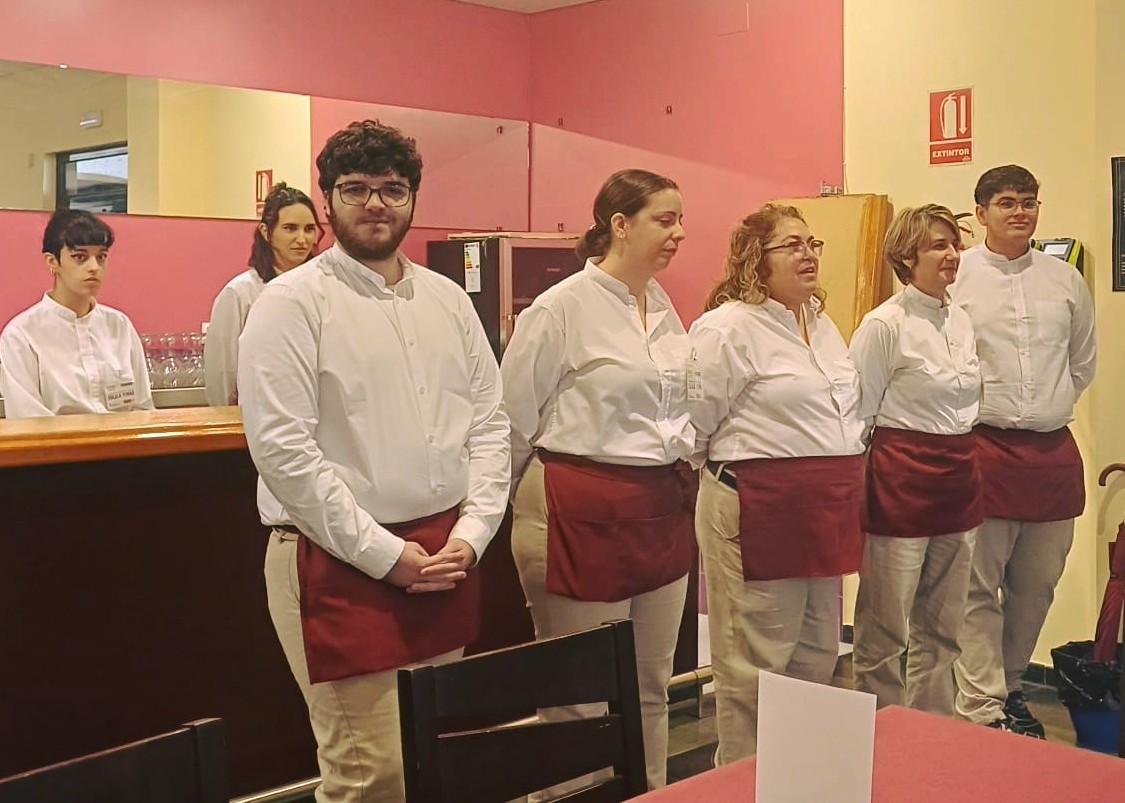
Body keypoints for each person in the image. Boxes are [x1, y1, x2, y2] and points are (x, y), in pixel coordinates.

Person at [238, 119, 510, 802]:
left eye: (393, 189)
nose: (376, 203)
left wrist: (472, 536)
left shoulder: (449, 300)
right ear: (328, 200)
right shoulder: (289, 304)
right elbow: (284, 452)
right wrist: (384, 554)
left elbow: (489, 425)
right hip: (335, 560)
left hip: (444, 555)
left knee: (433, 758)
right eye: (355, 189)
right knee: (370, 774)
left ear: (413, 198)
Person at [501, 169, 694, 792]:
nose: (679, 233)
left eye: (678, 220)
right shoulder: (560, 309)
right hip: (577, 508)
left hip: (659, 509)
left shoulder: (663, 307)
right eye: (665, 220)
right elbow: (509, 421)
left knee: (649, 688)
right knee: (578, 696)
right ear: (620, 225)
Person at [689, 203, 864, 763]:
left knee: (816, 652)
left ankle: (800, 780)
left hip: (822, 509)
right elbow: (695, 421)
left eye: (812, 243)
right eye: (792, 245)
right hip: (758, 505)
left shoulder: (821, 321)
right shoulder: (729, 327)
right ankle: (743, 784)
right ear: (754, 259)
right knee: (755, 664)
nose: (808, 253)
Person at [951, 165, 1096, 736]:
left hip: (1051, 452)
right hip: (982, 448)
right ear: (980, 212)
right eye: (1007, 203)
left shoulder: (1065, 281)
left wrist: (1043, 407)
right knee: (976, 588)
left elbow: (1083, 364)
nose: (1021, 212)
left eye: (1030, 202)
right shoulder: (956, 277)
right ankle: (982, 706)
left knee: (1036, 587)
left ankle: (1010, 689)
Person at [848, 204, 982, 714]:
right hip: (900, 484)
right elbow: (858, 418)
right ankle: (882, 737)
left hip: (959, 483)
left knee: (944, 628)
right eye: (938, 246)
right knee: (885, 631)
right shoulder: (883, 325)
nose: (952, 255)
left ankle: (933, 732)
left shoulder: (962, 321)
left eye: (954, 244)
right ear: (907, 256)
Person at [0, 209, 153, 418]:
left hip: (123, 446)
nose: (94, 267)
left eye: (101, 257)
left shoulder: (119, 325)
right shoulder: (21, 335)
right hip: (56, 448)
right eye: (79, 257)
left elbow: (143, 409)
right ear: (52, 262)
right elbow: (27, 421)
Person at [203, 182, 322, 406]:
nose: (302, 239)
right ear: (266, 232)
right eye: (290, 228)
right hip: (254, 418)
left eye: (309, 229)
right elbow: (222, 375)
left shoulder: (323, 289)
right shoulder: (240, 293)